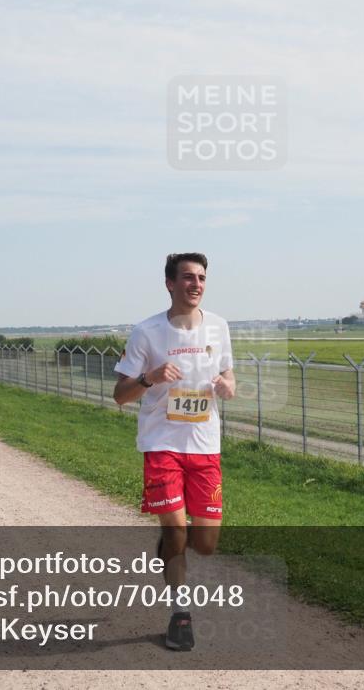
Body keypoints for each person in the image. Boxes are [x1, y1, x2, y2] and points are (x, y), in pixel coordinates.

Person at [113, 252, 235, 652]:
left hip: (205, 446)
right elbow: (119, 396)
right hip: (161, 444)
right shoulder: (147, 332)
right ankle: (180, 615)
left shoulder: (219, 327)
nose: (195, 283)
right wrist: (149, 378)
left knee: (205, 544)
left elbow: (229, 373)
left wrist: (227, 385)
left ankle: (168, 546)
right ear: (170, 284)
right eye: (187, 277)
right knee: (177, 531)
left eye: (201, 277)